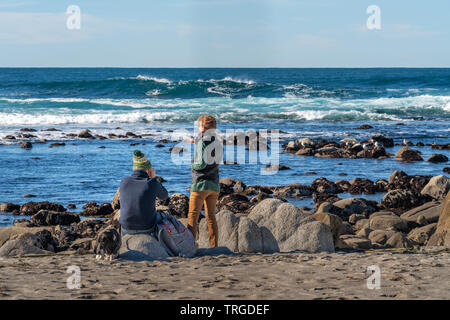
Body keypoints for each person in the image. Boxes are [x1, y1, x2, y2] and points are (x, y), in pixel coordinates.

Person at [185, 115, 222, 247]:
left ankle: (190, 245)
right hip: (214, 184)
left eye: (199, 125)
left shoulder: (202, 141)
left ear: (203, 127)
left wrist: (191, 165)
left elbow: (200, 164)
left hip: (200, 184)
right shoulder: (217, 141)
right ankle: (214, 246)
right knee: (211, 217)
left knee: (193, 216)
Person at [119, 150, 168, 236]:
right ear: (148, 170)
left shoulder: (124, 181)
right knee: (165, 216)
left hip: (126, 227)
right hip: (147, 227)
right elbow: (164, 196)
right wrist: (154, 178)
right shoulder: (152, 182)